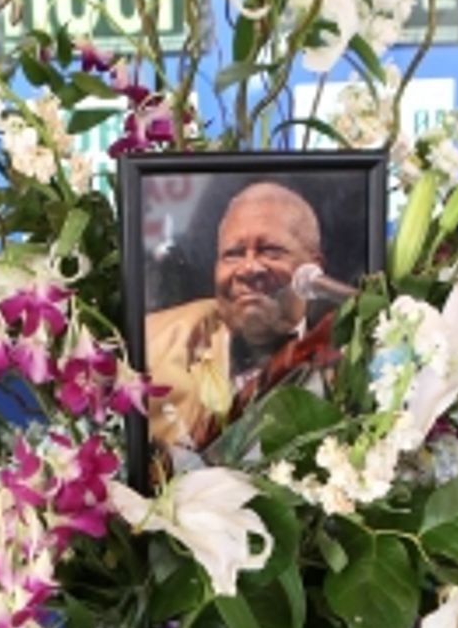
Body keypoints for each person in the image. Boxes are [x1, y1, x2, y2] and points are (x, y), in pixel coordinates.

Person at [145, 181, 351, 453]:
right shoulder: (155, 345)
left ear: (314, 267)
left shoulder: (349, 360)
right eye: (233, 254)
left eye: (270, 251)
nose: (249, 268)